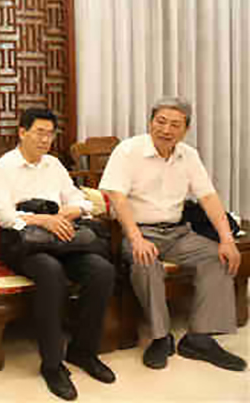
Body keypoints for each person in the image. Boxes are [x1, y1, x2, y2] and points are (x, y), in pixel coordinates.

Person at [100, 96, 246, 372]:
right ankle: (160, 337)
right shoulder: (128, 150)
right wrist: (136, 239)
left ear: (186, 129)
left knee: (218, 257)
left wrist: (227, 239)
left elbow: (208, 197)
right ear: (150, 122)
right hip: (139, 231)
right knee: (146, 263)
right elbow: (117, 198)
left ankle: (199, 338)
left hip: (178, 232)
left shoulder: (188, 155)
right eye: (161, 122)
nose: (166, 130)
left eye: (175, 125)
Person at [0, 108, 116, 401]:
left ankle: (83, 351)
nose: (45, 140)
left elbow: (80, 201)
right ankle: (52, 364)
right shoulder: (2, 168)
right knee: (50, 273)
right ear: (22, 132)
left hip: (61, 239)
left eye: (50, 134)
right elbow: (3, 215)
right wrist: (43, 220)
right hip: (23, 242)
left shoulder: (54, 164)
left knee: (102, 271)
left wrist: (69, 212)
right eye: (39, 132)